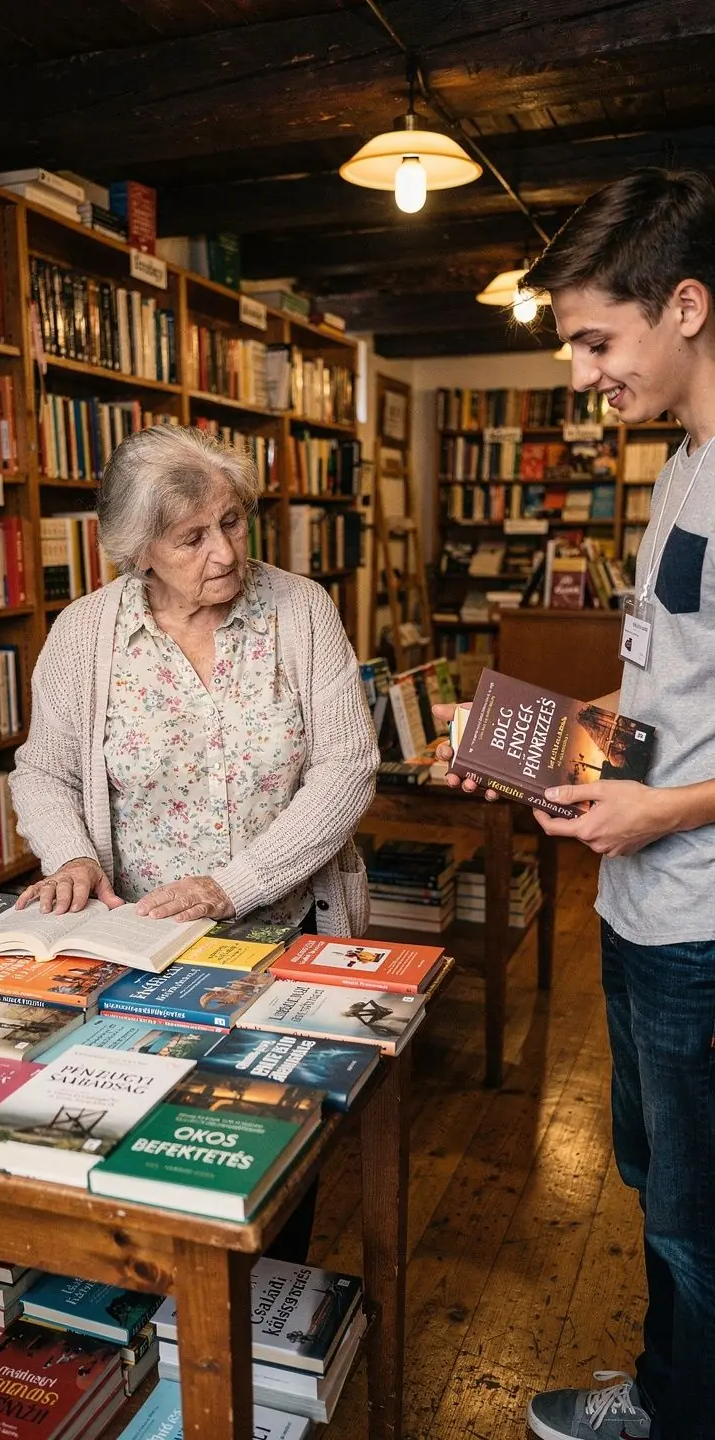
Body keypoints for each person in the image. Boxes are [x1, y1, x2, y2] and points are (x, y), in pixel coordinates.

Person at [435, 169, 715, 1440]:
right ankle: (665, 1396)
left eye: (597, 340)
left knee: (697, 1223)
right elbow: (665, 694)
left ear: (689, 307)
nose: (581, 375)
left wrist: (661, 814)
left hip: (702, 923)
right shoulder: (681, 475)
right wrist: (532, 743)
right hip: (641, 904)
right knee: (656, 1185)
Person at [10, 424, 380, 1259]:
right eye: (193, 536)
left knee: (272, 1167)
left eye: (234, 522)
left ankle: (268, 1350)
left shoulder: (301, 609)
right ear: (138, 549)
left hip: (290, 938)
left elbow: (348, 771)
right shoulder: (84, 633)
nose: (226, 551)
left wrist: (231, 886)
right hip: (141, 948)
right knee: (140, 1154)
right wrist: (69, 853)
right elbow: (42, 771)